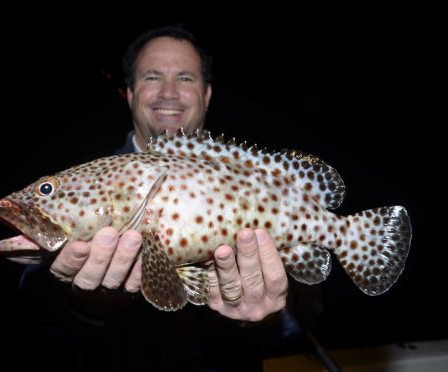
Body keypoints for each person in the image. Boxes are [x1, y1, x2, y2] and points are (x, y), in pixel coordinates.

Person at [19, 25, 321, 371]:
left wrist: (266, 316)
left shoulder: (251, 178)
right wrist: (83, 305)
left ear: (206, 95)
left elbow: (303, 316)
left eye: (185, 78)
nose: (168, 92)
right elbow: (39, 313)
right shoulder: (90, 182)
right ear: (130, 93)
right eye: (151, 77)